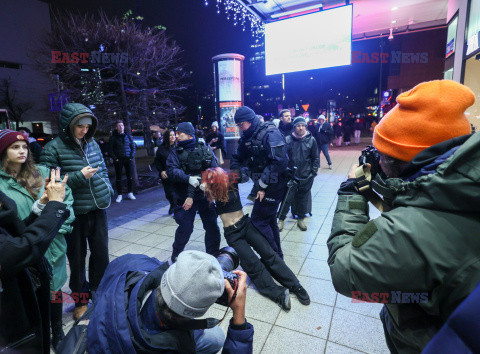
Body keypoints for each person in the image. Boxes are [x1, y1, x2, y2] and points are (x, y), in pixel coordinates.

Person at [327, 80, 480, 353]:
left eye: (384, 156)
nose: (378, 162)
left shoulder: (410, 230)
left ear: (408, 161)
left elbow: (343, 269)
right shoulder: (463, 186)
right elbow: (423, 199)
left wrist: (352, 191)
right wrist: (397, 187)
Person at [87, 250, 254, 353]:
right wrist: (239, 315)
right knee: (217, 337)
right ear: (196, 313)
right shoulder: (180, 345)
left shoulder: (133, 263)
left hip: (105, 329)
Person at [0, 130, 75, 350]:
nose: (22, 151)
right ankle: (41, 331)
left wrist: (61, 226)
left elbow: (65, 198)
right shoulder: (1, 184)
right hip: (25, 247)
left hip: (54, 242)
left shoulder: (41, 171)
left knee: (56, 288)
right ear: (3, 151)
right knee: (36, 295)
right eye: (14, 147)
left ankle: (57, 327)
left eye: (24, 147)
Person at [40, 102, 114, 321]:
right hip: (74, 213)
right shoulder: (53, 148)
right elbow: (50, 184)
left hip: (98, 208)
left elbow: (104, 170)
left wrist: (108, 188)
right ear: (68, 125)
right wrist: (80, 176)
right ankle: (80, 300)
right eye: (80, 126)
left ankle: (99, 295)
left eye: (88, 126)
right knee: (77, 259)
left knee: (101, 255)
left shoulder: (92, 144)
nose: (84, 130)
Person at [202, 167, 310, 310]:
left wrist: (229, 175)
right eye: (210, 176)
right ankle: (277, 293)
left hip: (246, 225)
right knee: (253, 265)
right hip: (233, 234)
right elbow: (197, 188)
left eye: (216, 174)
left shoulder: (231, 182)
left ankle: (295, 285)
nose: (213, 177)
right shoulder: (210, 190)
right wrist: (201, 184)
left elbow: (245, 173)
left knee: (269, 254)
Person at [231, 106, 288, 258]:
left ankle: (273, 258)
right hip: (262, 183)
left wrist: (262, 185)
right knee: (268, 220)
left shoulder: (270, 133)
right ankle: (278, 258)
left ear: (249, 121)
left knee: (258, 221)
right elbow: (238, 157)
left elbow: (279, 162)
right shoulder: (248, 135)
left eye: (241, 125)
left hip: (274, 184)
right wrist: (235, 173)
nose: (240, 128)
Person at [166, 122, 221, 261]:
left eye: (180, 134)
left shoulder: (204, 148)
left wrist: (206, 180)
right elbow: (171, 170)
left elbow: (214, 167)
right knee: (185, 227)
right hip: (184, 195)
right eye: (176, 133)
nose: (176, 136)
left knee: (212, 226)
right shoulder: (175, 151)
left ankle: (213, 255)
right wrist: (187, 178)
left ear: (189, 135)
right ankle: (176, 254)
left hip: (204, 194)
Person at [278, 117, 319, 232]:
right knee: (286, 198)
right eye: (298, 125)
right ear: (294, 127)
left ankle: (301, 219)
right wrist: (286, 172)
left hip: (306, 175)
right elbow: (283, 158)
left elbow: (315, 158)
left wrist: (313, 173)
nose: (301, 128)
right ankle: (281, 219)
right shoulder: (288, 140)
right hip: (291, 175)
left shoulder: (311, 140)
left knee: (303, 198)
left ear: (305, 127)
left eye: (303, 125)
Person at [109, 120, 136, 202]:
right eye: (119, 126)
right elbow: (110, 150)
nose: (121, 127)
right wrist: (115, 158)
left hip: (128, 159)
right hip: (118, 160)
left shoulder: (128, 136)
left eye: (122, 125)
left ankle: (130, 193)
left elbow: (133, 147)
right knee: (118, 178)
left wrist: (131, 156)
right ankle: (119, 195)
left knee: (129, 177)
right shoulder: (113, 137)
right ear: (116, 127)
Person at [154, 128, 176, 215]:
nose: (173, 137)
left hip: (177, 174)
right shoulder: (161, 149)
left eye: (174, 135)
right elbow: (157, 162)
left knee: (177, 193)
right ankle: (173, 205)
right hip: (166, 174)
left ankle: (176, 208)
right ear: (167, 137)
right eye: (170, 135)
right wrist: (161, 171)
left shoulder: (178, 147)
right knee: (169, 193)